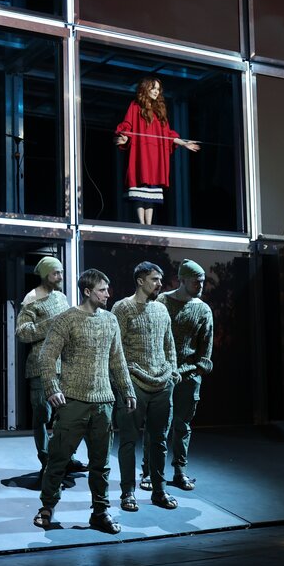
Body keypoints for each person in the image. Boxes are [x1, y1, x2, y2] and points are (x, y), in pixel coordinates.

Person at [34, 269, 136, 534]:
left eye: (107, 289)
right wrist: (52, 388)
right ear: (88, 291)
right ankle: (47, 507)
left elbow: (117, 359)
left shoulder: (110, 320)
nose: (107, 294)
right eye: (102, 290)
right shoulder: (67, 319)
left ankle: (100, 512)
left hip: (103, 402)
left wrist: (128, 390)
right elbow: (46, 356)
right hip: (72, 402)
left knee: (101, 464)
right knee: (58, 459)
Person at [112, 262, 179, 512]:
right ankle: (127, 493)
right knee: (128, 441)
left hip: (162, 383)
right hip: (134, 384)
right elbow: (115, 348)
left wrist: (172, 372)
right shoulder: (122, 308)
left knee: (159, 440)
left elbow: (169, 343)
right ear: (140, 281)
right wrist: (122, 383)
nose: (160, 284)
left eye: (160, 279)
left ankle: (159, 490)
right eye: (154, 279)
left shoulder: (161, 309)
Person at [15, 255, 84, 477]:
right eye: (56, 273)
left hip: (65, 366)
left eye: (61, 272)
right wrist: (51, 324)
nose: (60, 276)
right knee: (42, 416)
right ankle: (46, 459)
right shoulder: (31, 299)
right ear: (45, 275)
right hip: (40, 367)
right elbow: (22, 333)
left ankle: (66, 458)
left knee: (67, 416)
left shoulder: (62, 297)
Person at [154, 259, 213, 491]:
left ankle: (180, 470)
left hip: (188, 376)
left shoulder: (203, 309)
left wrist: (198, 369)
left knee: (183, 425)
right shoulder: (162, 302)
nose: (200, 285)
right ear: (182, 280)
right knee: (158, 426)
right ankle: (151, 472)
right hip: (163, 374)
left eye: (202, 281)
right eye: (196, 281)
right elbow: (153, 336)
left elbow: (205, 345)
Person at [114, 77, 200, 225]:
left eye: (158, 89)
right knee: (140, 190)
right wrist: (125, 137)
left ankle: (148, 225)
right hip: (141, 155)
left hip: (155, 158)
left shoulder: (159, 111)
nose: (156, 91)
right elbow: (127, 125)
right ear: (145, 88)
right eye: (153, 88)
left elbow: (168, 135)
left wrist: (184, 143)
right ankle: (141, 225)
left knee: (151, 194)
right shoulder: (135, 106)